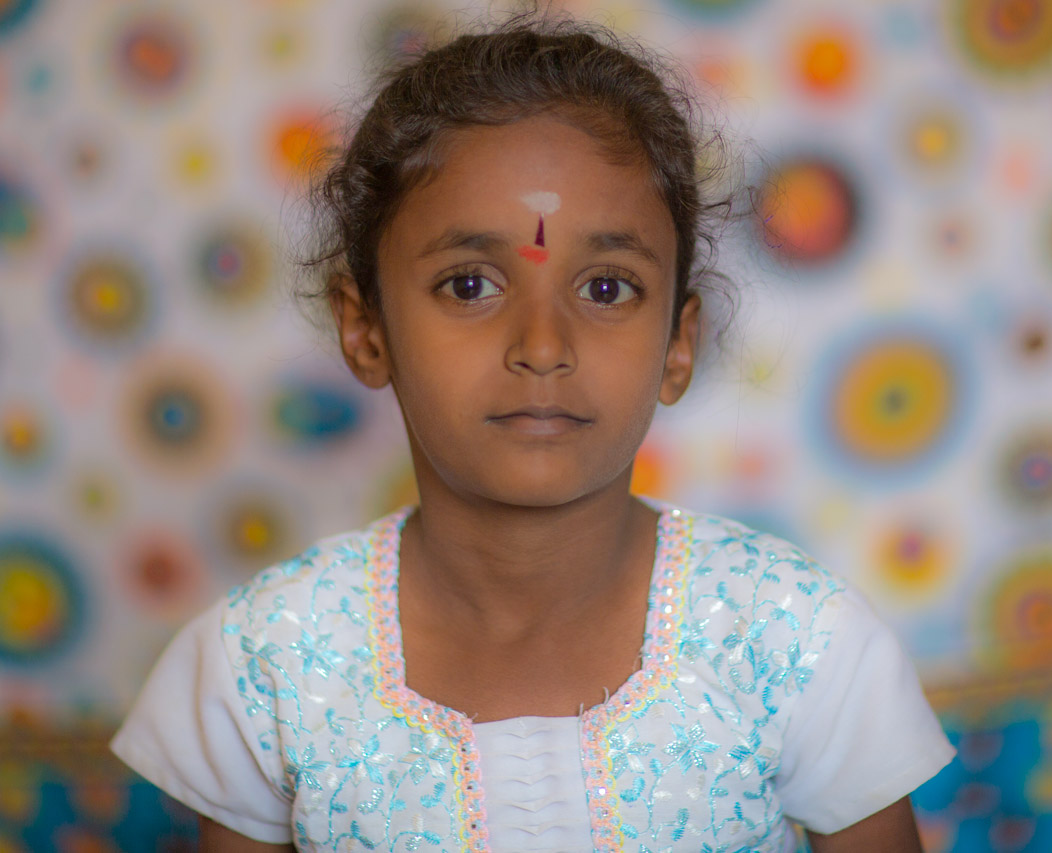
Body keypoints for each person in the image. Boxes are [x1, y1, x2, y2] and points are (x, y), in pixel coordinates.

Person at [111, 13, 955, 852]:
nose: (543, 346)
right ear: (365, 330)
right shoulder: (267, 664)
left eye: (607, 288)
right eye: (470, 284)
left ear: (679, 343)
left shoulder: (793, 640)